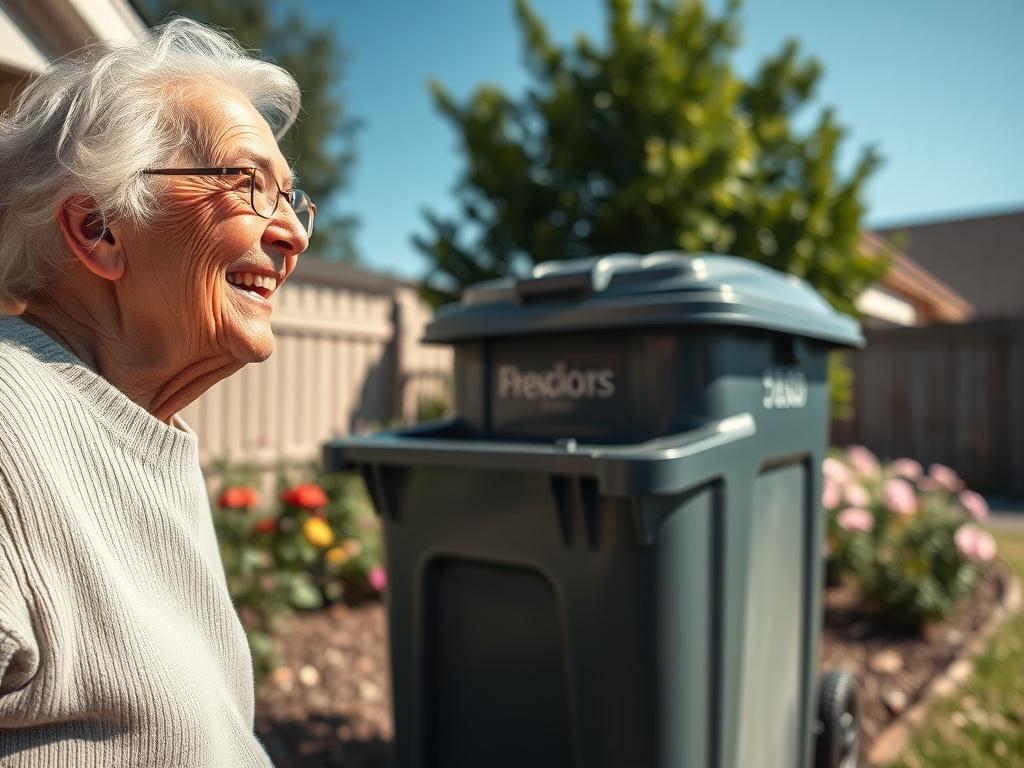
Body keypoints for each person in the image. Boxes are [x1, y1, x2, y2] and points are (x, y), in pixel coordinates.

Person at [0, 18, 314, 766]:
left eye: (293, 199)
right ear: (99, 227)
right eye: (247, 185)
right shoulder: (10, 422)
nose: (294, 235)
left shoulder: (137, 427)